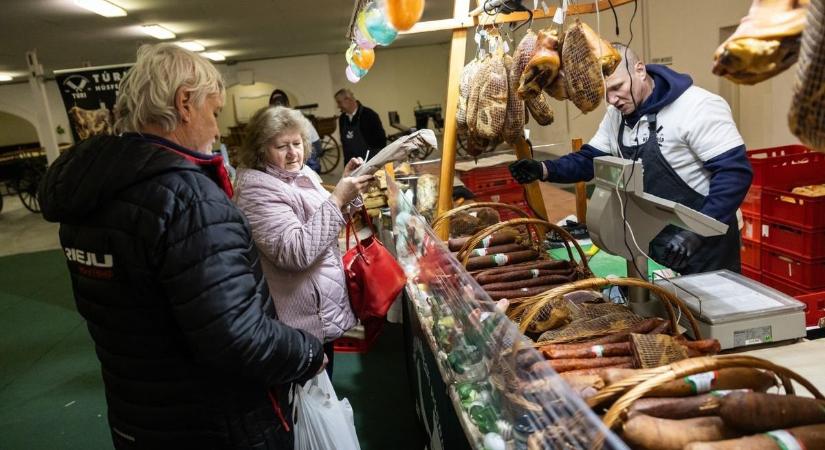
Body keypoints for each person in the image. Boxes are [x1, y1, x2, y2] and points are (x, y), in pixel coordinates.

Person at [38, 43, 324, 450]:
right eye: (214, 112)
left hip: (139, 416)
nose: (216, 130)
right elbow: (237, 336)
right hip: (213, 424)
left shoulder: (89, 192)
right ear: (185, 103)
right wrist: (307, 353)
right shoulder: (187, 198)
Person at [509, 44, 753, 274]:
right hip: (656, 236)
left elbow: (734, 173)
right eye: (606, 93)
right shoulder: (617, 115)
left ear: (640, 70)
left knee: (703, 314)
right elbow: (591, 159)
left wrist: (698, 232)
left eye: (617, 88)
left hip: (706, 244)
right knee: (665, 310)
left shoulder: (697, 106)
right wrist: (543, 169)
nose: (612, 100)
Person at [233, 106, 375, 377]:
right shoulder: (255, 191)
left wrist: (349, 188)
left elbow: (327, 222)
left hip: (320, 312)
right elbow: (296, 252)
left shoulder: (303, 174)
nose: (293, 153)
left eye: (297, 143)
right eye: (282, 146)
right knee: (308, 403)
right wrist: (338, 199)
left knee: (326, 395)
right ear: (261, 150)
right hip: (299, 321)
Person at [269, 88, 323, 173]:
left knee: (308, 171)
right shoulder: (292, 114)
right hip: (313, 143)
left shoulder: (290, 116)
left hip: (312, 144)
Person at [335, 88, 387, 163]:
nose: (338, 106)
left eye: (339, 102)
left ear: (348, 99)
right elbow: (345, 146)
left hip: (370, 162)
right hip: (353, 164)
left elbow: (381, 142)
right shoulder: (342, 119)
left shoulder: (369, 115)